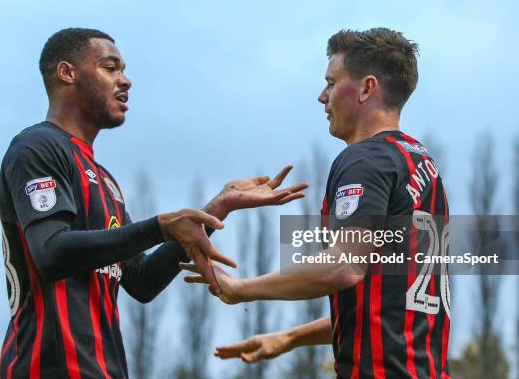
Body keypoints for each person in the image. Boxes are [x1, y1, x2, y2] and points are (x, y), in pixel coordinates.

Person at [0, 27, 307, 379]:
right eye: (110, 68)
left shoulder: (106, 183)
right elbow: (51, 254)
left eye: (123, 70)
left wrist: (217, 208)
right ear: (68, 73)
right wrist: (159, 225)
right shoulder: (36, 148)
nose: (125, 80)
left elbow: (141, 281)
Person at [182, 28, 451, 378]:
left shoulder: (365, 159)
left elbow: (343, 267)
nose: (322, 96)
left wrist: (241, 288)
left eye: (331, 82)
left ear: (367, 88)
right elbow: (387, 304)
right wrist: (291, 337)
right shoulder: (420, 164)